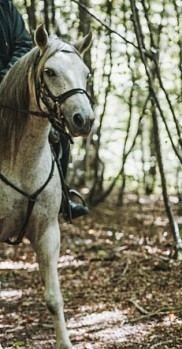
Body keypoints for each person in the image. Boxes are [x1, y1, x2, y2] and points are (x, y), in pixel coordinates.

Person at [0, 0, 89, 221]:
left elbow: (22, 44)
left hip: (8, 89)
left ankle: (63, 197)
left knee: (58, 132)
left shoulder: (6, 7)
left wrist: (6, 77)